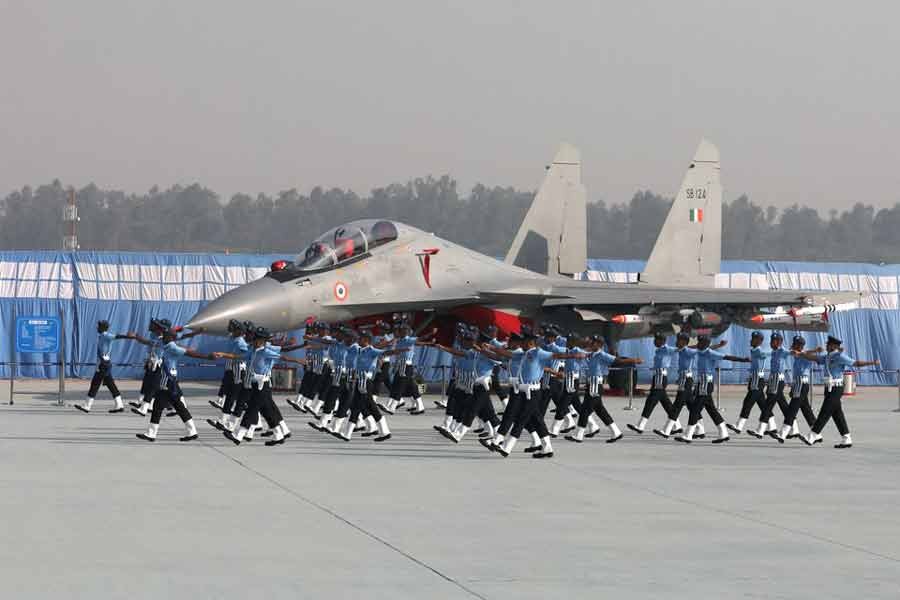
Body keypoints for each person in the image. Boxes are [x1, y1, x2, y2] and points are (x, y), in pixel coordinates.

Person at [218, 327, 305, 446]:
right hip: (253, 384)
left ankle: (238, 435)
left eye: (256, 339)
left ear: (263, 341)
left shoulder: (266, 352)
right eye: (254, 339)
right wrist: (223, 354)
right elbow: (238, 357)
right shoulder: (252, 351)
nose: (254, 341)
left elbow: (283, 357)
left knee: (252, 409)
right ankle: (278, 434)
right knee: (266, 410)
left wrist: (298, 360)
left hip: (262, 385)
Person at [132, 327, 212, 442]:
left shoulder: (173, 347)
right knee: (175, 406)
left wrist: (207, 357)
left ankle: (152, 433)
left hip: (167, 382)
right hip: (168, 381)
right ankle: (191, 431)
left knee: (162, 407)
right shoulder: (165, 345)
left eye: (165, 335)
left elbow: (189, 353)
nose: (163, 337)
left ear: (170, 338)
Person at [799, 336, 879, 449]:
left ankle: (812, 435)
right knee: (837, 414)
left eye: (828, 344)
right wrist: (802, 354)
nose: (826, 346)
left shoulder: (840, 356)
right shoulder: (827, 356)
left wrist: (872, 363)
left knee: (825, 411)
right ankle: (846, 438)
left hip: (836, 388)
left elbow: (856, 363)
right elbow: (815, 358)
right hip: (828, 388)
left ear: (834, 346)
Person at [565, 336, 641, 443]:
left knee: (585, 410)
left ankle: (579, 435)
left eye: (595, 343)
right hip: (591, 384)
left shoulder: (602, 355)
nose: (592, 344)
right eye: (592, 342)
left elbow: (617, 360)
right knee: (600, 411)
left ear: (600, 345)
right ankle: (616, 432)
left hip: (596, 385)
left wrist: (634, 360)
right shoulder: (590, 354)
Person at [676, 336, 750, 444]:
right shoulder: (700, 351)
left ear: (705, 344)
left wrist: (743, 360)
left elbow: (727, 357)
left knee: (695, 409)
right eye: (699, 342)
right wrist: (718, 345)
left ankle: (688, 435)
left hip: (706, 383)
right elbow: (688, 348)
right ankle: (723, 432)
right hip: (702, 383)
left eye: (701, 342)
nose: (698, 344)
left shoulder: (711, 353)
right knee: (711, 410)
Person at [74, 320, 129, 414]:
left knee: (95, 384)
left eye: (98, 326)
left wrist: (129, 336)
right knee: (111, 385)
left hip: (103, 364)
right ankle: (119, 405)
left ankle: (87, 406)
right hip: (104, 364)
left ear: (102, 328)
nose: (97, 328)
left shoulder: (106, 335)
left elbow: (117, 336)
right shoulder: (102, 336)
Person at [628, 332, 677, 434]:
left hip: (660, 377)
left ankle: (641, 425)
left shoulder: (667, 349)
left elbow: (683, 349)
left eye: (657, 339)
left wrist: (706, 347)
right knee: (666, 403)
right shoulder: (658, 350)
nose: (655, 341)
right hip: (657, 377)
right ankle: (676, 425)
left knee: (651, 401)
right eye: (655, 339)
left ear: (663, 341)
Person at [207, 320, 250, 432]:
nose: (230, 329)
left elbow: (245, 355)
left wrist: (223, 354)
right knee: (231, 396)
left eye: (233, 328)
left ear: (239, 331)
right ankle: (223, 421)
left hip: (238, 372)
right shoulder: (232, 338)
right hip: (232, 370)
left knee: (236, 398)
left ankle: (246, 426)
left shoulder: (240, 342)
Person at [774, 335, 818, 442]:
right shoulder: (797, 354)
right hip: (798, 384)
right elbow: (792, 351)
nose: (792, 345)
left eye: (795, 343)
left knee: (792, 409)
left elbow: (802, 353)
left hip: (802, 384)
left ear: (800, 345)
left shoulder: (806, 354)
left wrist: (813, 350)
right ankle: (817, 432)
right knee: (806, 409)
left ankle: (783, 433)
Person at [748, 332, 791, 439]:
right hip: (773, 380)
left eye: (775, 341)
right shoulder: (774, 351)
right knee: (784, 406)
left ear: (780, 342)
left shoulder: (782, 351)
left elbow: (793, 353)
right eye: (771, 340)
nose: (772, 343)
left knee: (768, 405)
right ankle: (794, 429)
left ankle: (760, 430)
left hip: (778, 380)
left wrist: (803, 352)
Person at [727, 331, 770, 434]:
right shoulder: (754, 350)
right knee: (763, 405)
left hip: (757, 381)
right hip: (755, 380)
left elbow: (764, 355)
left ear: (759, 341)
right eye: (752, 338)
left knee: (748, 402)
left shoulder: (758, 351)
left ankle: (739, 425)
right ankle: (772, 426)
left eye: (754, 338)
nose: (751, 340)